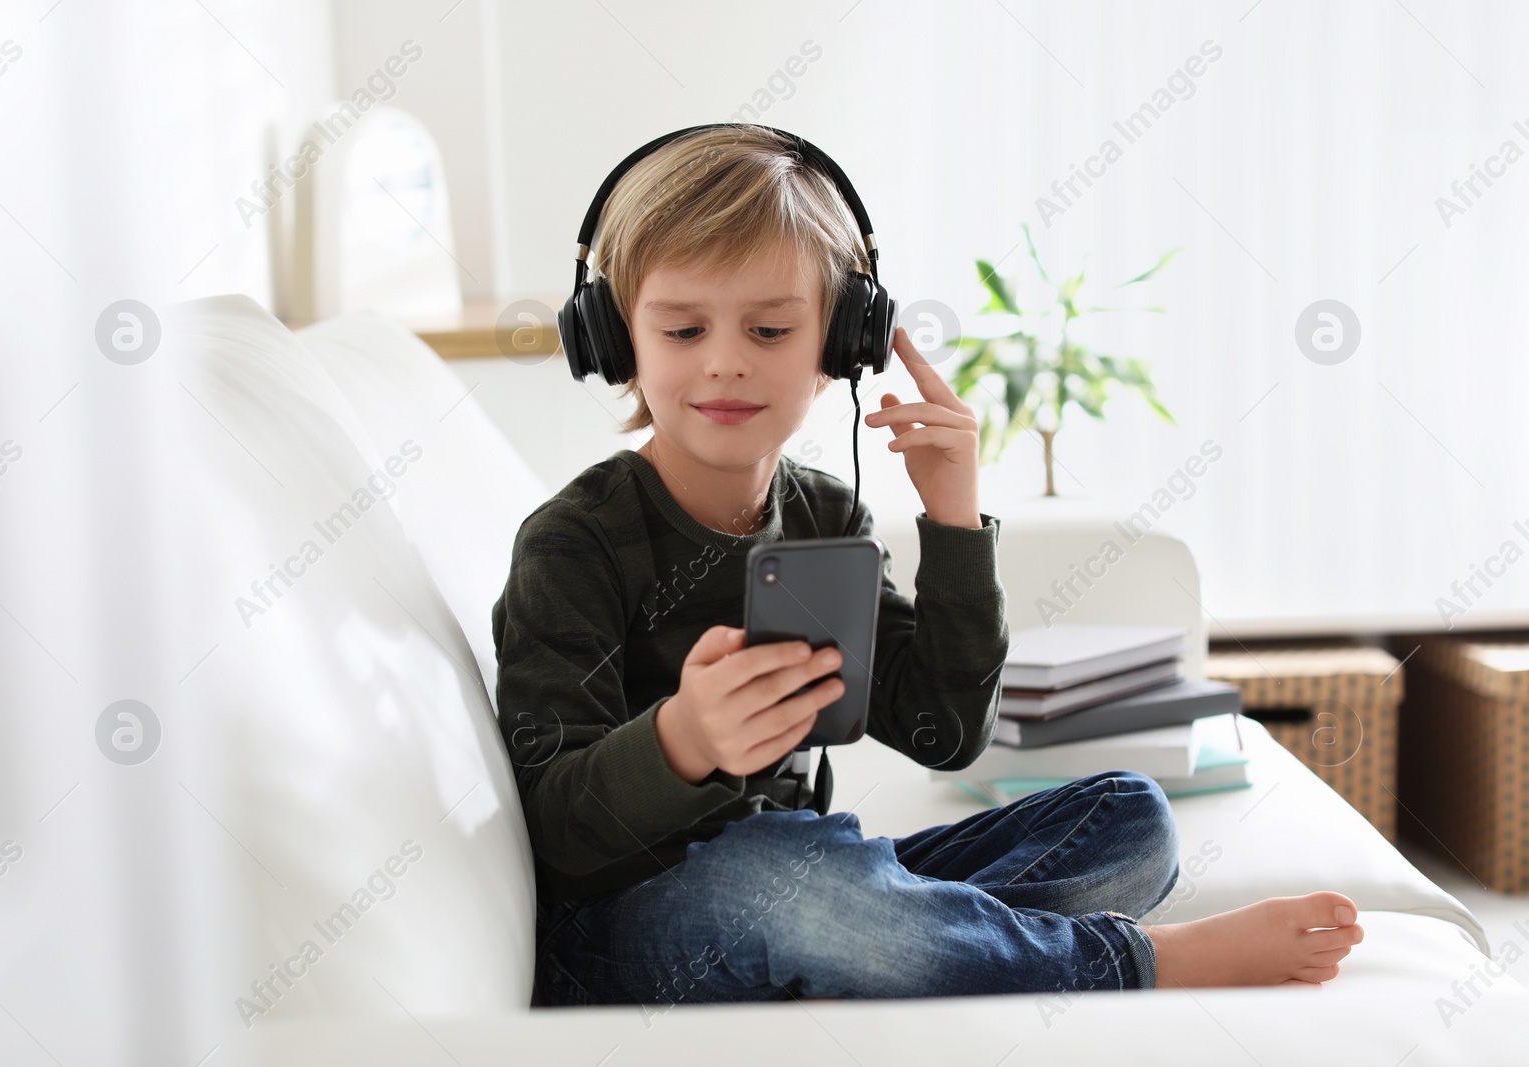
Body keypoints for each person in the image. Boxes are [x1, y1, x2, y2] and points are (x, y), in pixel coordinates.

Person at [491, 124, 1363, 1008]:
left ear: (839, 347)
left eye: (769, 328)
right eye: (682, 328)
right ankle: (1132, 960)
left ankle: (904, 941)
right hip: (625, 926)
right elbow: (557, 833)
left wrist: (952, 515)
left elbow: (945, 730)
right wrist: (684, 742)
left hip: (809, 877)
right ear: (614, 339)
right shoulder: (573, 542)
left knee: (1131, 820)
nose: (725, 360)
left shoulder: (828, 514)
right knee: (794, 877)